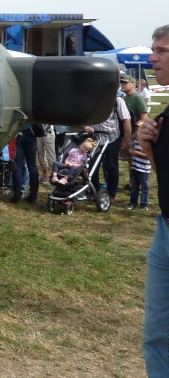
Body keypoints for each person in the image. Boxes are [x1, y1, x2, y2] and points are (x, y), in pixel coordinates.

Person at [136, 25, 169, 375]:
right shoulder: (164, 114)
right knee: (157, 335)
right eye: (153, 49)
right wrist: (148, 147)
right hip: (165, 232)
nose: (152, 58)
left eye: (161, 51)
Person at [85, 95, 130, 200]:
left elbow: (126, 120)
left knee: (111, 167)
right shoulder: (90, 100)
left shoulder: (117, 101)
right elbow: (85, 118)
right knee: (91, 167)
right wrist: (87, 127)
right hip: (95, 139)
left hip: (112, 138)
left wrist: (126, 141)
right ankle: (95, 192)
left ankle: (111, 193)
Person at [12, 124, 40, 203]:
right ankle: (33, 195)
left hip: (17, 132)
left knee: (17, 166)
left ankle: (17, 196)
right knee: (32, 166)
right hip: (30, 132)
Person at [129, 127, 151, 211]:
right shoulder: (136, 141)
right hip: (135, 167)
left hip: (144, 169)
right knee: (134, 186)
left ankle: (144, 203)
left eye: (138, 130)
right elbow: (131, 148)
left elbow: (149, 155)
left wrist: (137, 153)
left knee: (144, 187)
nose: (136, 132)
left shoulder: (148, 143)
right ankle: (133, 202)